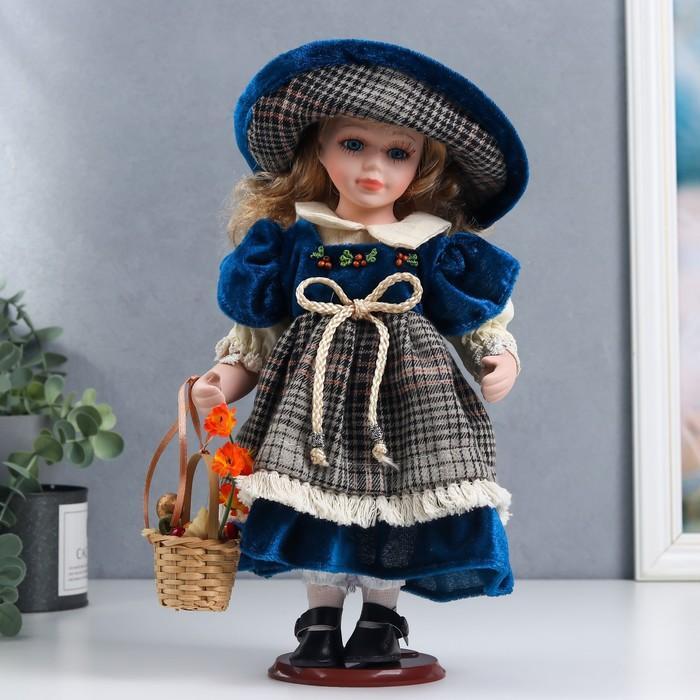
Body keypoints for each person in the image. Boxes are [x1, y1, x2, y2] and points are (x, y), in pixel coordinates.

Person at [191, 38, 529, 668]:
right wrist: (223, 379)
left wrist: (496, 356)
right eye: (353, 144)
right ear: (318, 149)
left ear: (421, 166)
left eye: (397, 153)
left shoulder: (430, 245)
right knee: (317, 505)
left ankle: (378, 621)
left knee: (394, 509)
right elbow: (259, 337)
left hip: (409, 399)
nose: (374, 167)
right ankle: (320, 623)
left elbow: (473, 321)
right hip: (312, 401)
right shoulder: (291, 244)